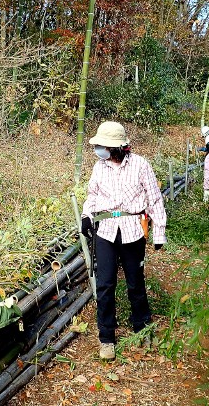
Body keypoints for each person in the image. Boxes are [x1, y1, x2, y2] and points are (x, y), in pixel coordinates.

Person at [80, 121, 167, 361]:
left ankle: (142, 326)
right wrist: (87, 216)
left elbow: (154, 198)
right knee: (105, 284)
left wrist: (159, 232)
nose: (99, 150)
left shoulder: (140, 165)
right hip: (106, 229)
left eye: (102, 146)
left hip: (132, 229)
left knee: (135, 282)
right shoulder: (99, 167)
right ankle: (106, 337)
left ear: (117, 147)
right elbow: (93, 195)